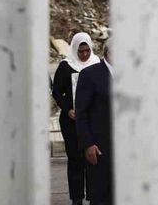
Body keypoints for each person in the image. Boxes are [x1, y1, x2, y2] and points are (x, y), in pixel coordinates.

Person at [53, 33, 100, 205]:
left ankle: (94, 195)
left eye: (87, 50)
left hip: (92, 121)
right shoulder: (66, 66)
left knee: (93, 158)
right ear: (75, 49)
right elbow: (57, 91)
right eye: (81, 51)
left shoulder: (97, 64)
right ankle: (77, 197)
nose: (84, 54)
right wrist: (68, 110)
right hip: (71, 121)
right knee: (75, 160)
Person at [75, 48, 114, 205]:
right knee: (101, 195)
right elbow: (81, 113)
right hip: (100, 147)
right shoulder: (89, 74)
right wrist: (87, 144)